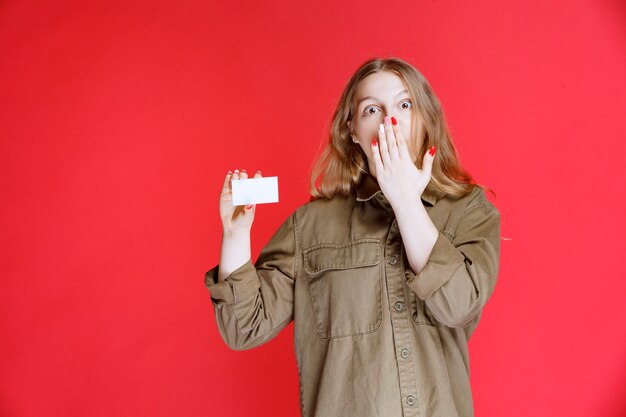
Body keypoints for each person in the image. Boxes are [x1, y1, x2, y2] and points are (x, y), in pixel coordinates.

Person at [204, 57, 500, 417]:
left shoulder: (468, 210)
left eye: (405, 105)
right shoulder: (310, 226)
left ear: (425, 119)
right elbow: (243, 328)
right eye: (372, 109)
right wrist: (235, 235)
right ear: (353, 131)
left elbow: (459, 305)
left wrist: (406, 202)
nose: (390, 121)